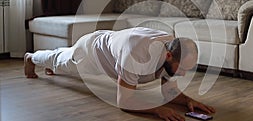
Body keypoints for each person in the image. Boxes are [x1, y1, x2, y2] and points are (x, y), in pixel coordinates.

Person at [24, 27, 215, 121]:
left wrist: (188, 101)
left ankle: (51, 59)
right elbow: (124, 102)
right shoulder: (138, 55)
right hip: (90, 53)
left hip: (111, 42)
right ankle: (31, 57)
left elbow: (169, 92)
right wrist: (158, 109)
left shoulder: (172, 48)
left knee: (60, 57)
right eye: (181, 68)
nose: (182, 74)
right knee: (59, 61)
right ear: (168, 55)